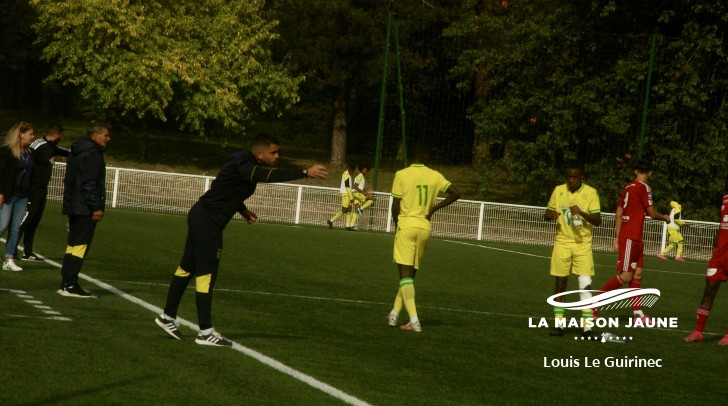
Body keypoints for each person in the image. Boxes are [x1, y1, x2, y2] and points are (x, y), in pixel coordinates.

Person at [155, 135, 327, 347]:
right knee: (206, 275)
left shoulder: (244, 161)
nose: (277, 156)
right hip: (207, 221)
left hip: (203, 218)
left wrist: (243, 210)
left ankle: (167, 317)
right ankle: (205, 331)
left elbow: (228, 190)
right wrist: (304, 172)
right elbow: (265, 176)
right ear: (260, 154)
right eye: (274, 152)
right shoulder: (246, 164)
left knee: (186, 268)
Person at [386, 145, 461, 332]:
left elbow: (395, 205)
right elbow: (456, 193)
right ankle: (394, 314)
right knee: (409, 277)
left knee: (404, 275)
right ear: (427, 158)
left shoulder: (402, 174)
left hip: (407, 226)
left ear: (410, 158)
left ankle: (414, 320)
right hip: (424, 228)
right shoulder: (435, 175)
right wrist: (433, 209)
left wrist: (397, 224)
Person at [597, 159, 669, 321]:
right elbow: (650, 212)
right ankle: (592, 305)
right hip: (631, 237)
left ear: (635, 171)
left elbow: (619, 213)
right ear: (650, 173)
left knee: (637, 274)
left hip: (632, 236)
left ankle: (638, 314)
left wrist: (616, 237)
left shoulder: (627, 187)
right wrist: (664, 217)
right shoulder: (644, 188)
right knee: (626, 276)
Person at [544, 164, 601, 337]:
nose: (571, 180)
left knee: (585, 285)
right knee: (560, 284)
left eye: (574, 177)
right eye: (568, 177)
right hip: (561, 242)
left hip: (582, 244)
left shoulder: (591, 193)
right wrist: (550, 215)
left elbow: (598, 221)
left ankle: (587, 328)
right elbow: (547, 212)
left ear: (581, 177)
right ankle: (559, 325)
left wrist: (581, 213)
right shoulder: (559, 190)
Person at [57, 124, 110, 298]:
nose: (108, 139)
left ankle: (66, 282)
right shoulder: (93, 155)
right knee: (80, 245)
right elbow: (89, 184)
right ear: (95, 136)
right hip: (85, 207)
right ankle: (71, 284)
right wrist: (96, 206)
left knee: (72, 244)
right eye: (106, 135)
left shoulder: (76, 151)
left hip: (73, 204)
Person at [684, 178, 728, 345]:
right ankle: (698, 332)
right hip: (719, 255)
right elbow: (721, 224)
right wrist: (715, 246)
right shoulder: (724, 199)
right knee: (709, 291)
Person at [19, 124, 70, 262]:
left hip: (41, 188)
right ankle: (11, 251)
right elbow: (39, 159)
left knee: (34, 220)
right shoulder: (40, 146)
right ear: (58, 134)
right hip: (33, 188)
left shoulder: (48, 146)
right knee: (26, 219)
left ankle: (27, 252)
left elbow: (63, 151)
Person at [0, 122, 35, 272]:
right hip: (9, 194)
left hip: (22, 195)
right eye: (31, 134)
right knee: (2, 225)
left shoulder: (29, 153)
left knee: (15, 229)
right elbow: (1, 173)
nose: (32, 137)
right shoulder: (6, 151)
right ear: (21, 134)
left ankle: (9, 259)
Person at [327, 164, 355, 230]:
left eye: (352, 171)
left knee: (349, 209)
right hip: (345, 194)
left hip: (349, 194)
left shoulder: (349, 175)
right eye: (350, 170)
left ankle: (347, 226)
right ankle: (331, 221)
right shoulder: (346, 174)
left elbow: (349, 186)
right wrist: (351, 197)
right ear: (348, 168)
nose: (351, 172)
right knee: (344, 209)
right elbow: (347, 186)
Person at [350, 164, 376, 230]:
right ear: (361, 169)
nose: (366, 171)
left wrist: (366, 190)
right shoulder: (360, 176)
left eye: (366, 170)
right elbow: (355, 186)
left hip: (358, 193)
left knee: (356, 211)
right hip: (357, 194)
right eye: (364, 169)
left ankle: (351, 225)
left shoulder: (362, 177)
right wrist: (363, 192)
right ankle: (361, 208)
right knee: (372, 199)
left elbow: (360, 187)